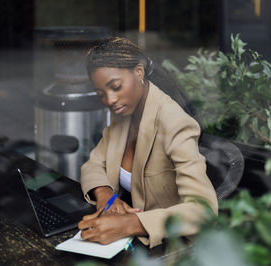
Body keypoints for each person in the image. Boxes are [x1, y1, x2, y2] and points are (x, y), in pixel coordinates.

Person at [78, 37, 218, 248]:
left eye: (115, 87)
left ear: (139, 73)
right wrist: (107, 197)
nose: (109, 100)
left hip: (173, 248)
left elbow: (202, 211)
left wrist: (130, 223)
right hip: (133, 245)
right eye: (101, 94)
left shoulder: (175, 123)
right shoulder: (123, 111)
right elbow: (94, 164)